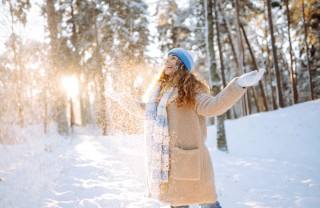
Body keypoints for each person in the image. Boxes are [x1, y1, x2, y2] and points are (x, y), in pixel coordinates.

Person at [108, 48, 264, 208]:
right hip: (170, 164)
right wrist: (124, 100)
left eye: (173, 58)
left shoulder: (193, 90)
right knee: (178, 204)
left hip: (193, 163)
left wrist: (238, 85)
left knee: (208, 204)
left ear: (182, 65)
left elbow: (213, 107)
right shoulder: (162, 92)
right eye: (167, 57)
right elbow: (147, 112)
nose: (167, 61)